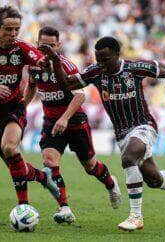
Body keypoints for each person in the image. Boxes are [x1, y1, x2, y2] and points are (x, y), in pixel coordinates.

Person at [40, 36, 165, 231]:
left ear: (117, 55)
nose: (101, 64)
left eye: (105, 59)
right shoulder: (96, 72)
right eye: (98, 59)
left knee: (129, 158)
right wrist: (56, 61)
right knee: (153, 179)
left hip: (143, 126)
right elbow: (67, 84)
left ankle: (136, 216)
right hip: (122, 134)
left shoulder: (134, 68)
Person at [0, 5, 59, 205]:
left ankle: (23, 207)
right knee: (13, 163)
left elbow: (41, 60)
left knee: (10, 148)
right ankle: (42, 177)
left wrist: (46, 63)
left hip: (13, 107)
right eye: (8, 29)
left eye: (17, 29)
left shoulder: (22, 47)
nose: (13, 34)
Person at [24, 26, 121, 224]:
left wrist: (65, 118)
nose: (48, 49)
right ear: (37, 44)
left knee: (90, 166)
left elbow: (80, 95)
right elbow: (32, 86)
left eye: (52, 46)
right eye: (44, 45)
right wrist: (21, 108)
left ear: (58, 45)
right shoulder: (33, 65)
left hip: (75, 121)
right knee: (50, 162)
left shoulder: (66, 66)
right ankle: (65, 208)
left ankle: (111, 184)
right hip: (51, 122)